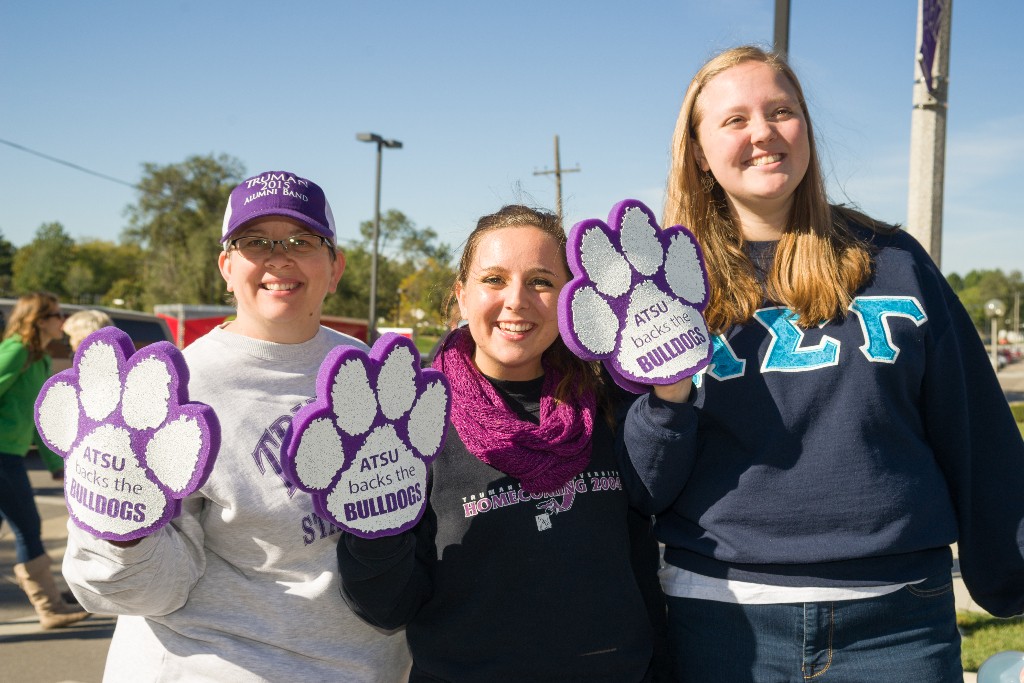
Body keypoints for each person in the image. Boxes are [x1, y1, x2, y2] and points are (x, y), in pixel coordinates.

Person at [618, 45, 1024, 682]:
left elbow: (975, 432)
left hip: (898, 623)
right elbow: (641, 489)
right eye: (734, 119)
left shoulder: (893, 262)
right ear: (698, 151)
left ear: (805, 126)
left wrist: (1011, 573)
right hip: (722, 626)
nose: (763, 133)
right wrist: (666, 396)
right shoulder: (662, 289)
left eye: (782, 110)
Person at [62, 171, 411, 681]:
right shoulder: (171, 392)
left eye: (302, 240)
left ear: (334, 267)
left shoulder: (371, 374)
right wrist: (121, 535)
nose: (279, 257)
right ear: (227, 266)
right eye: (255, 242)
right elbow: (147, 592)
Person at [337, 205, 668, 682]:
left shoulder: (608, 403)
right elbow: (387, 608)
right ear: (462, 296)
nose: (516, 300)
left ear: (568, 297)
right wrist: (373, 528)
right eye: (494, 279)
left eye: (541, 281)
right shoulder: (413, 422)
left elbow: (641, 563)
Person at [0, 292, 90, 628]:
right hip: (2, 457)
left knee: (25, 529)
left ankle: (50, 602)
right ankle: (49, 607)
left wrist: (56, 465)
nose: (62, 319)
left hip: (11, 455)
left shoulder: (37, 359)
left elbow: (39, 418)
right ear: (38, 320)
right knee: (27, 529)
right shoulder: (16, 352)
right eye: (56, 313)